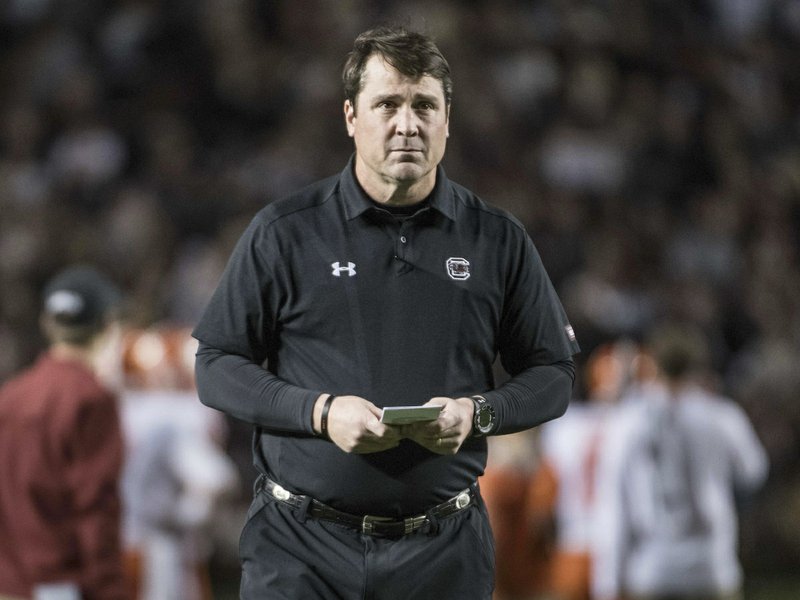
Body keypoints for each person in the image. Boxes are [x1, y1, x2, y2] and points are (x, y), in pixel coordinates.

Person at [193, 25, 580, 599]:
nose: (407, 124)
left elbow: (553, 375)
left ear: (448, 118)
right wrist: (320, 412)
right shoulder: (285, 232)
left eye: (425, 105)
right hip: (300, 551)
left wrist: (480, 413)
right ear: (351, 116)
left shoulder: (497, 239)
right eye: (387, 105)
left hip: (443, 553)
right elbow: (217, 364)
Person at [591, 323, 769, 600]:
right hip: (711, 564)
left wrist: (608, 582)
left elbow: (614, 504)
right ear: (698, 365)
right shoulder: (721, 416)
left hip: (652, 567)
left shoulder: (628, 421)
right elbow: (753, 471)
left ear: (654, 363)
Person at [0, 266, 132, 600]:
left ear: (47, 324)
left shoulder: (10, 395)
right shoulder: (91, 399)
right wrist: (110, 589)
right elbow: (96, 507)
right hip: (61, 585)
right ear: (106, 325)